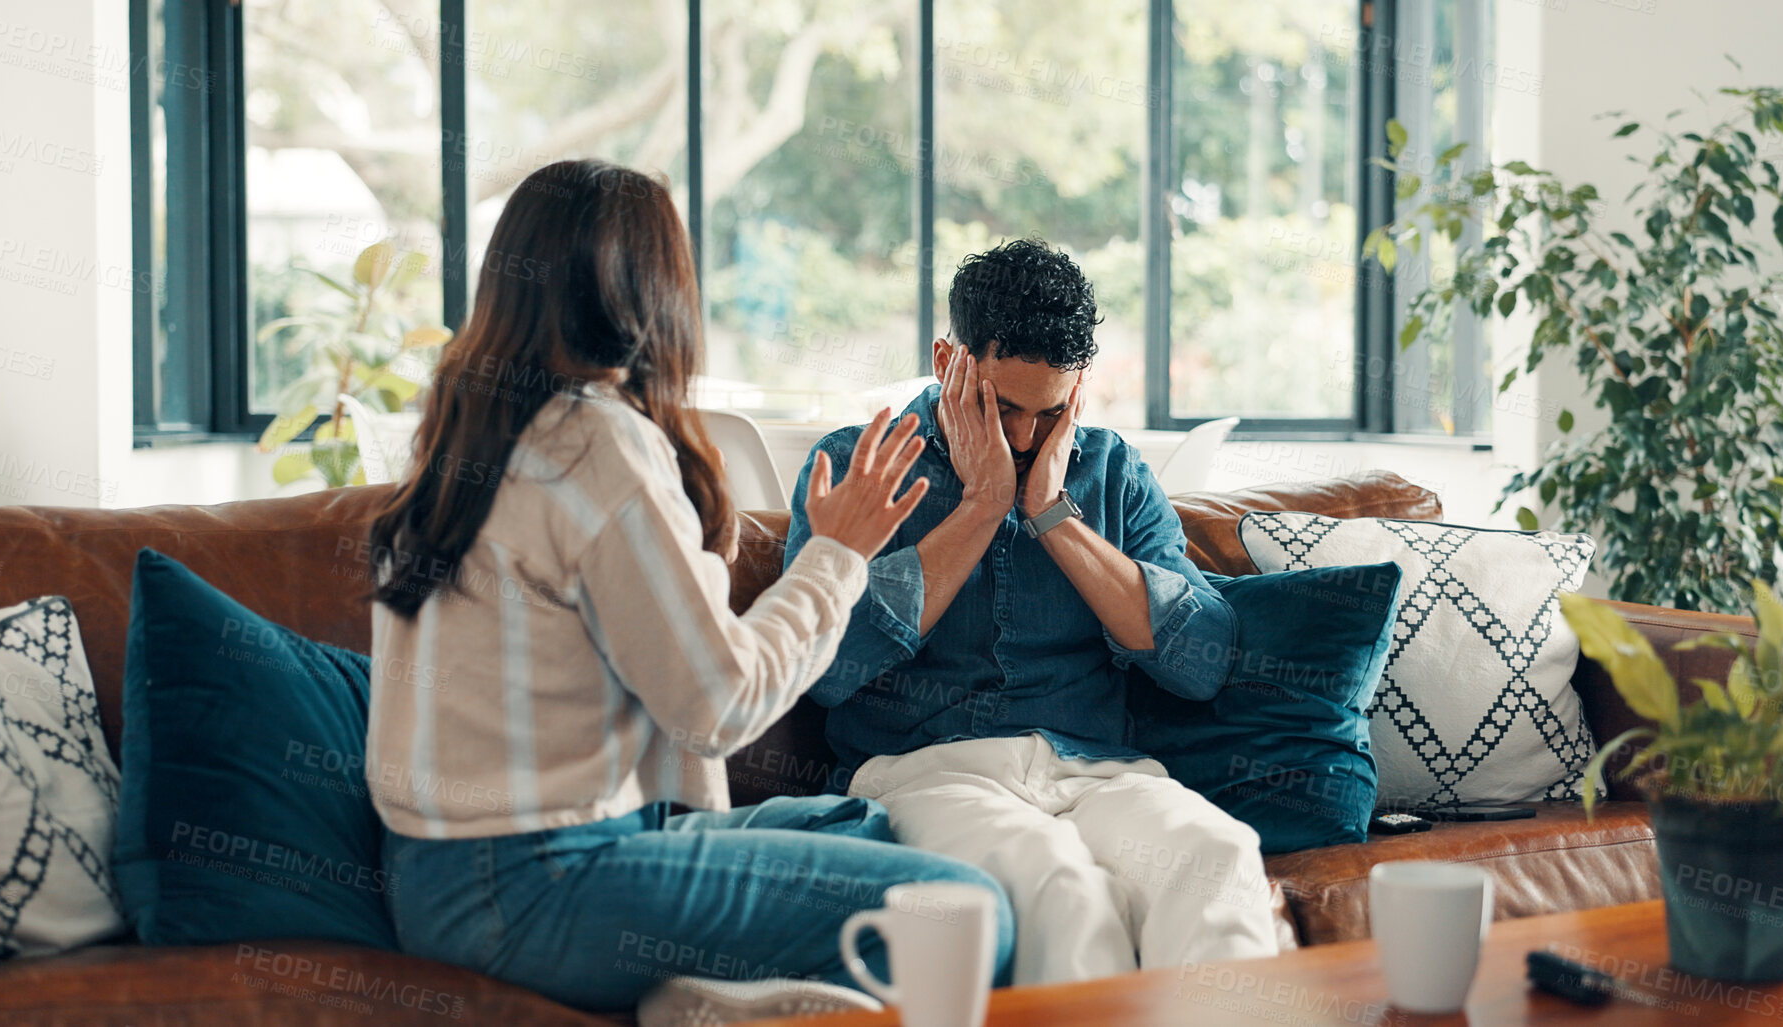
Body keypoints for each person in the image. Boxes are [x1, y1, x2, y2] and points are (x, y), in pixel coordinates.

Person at [362, 159, 1014, 1023]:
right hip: (536, 880)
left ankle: (697, 990)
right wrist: (839, 552)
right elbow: (716, 702)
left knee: (854, 827)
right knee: (963, 905)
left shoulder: (462, 428)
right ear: (653, 289)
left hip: (435, 875)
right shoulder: (596, 441)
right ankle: (692, 997)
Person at [782, 238, 1287, 985]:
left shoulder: (1112, 470)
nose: (1022, 438)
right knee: (1065, 889)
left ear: (1080, 382)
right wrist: (983, 506)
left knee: (1218, 856)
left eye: (1048, 412)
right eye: (1003, 406)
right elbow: (821, 666)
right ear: (947, 358)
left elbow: (1200, 663)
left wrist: (1052, 513)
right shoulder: (861, 465)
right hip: (925, 772)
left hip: (1098, 773)